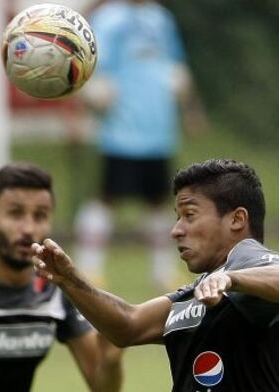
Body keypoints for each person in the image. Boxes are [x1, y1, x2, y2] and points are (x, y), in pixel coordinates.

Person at [33, 158, 279, 392]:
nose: (176, 229)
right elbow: (128, 325)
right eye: (178, 217)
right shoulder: (200, 290)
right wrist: (70, 281)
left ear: (237, 220)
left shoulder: (246, 258)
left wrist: (232, 279)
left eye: (189, 215)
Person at [0, 163, 123, 392]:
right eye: (15, 213)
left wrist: (111, 360)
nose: (28, 228)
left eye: (39, 216)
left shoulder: (56, 287)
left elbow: (102, 387)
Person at [74, 0, 192, 290]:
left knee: (159, 201)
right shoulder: (109, 19)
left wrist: (190, 108)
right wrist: (85, 110)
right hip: (121, 130)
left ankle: (164, 272)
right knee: (106, 198)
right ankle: (89, 269)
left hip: (158, 130)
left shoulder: (161, 19)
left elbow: (176, 67)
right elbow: (90, 68)